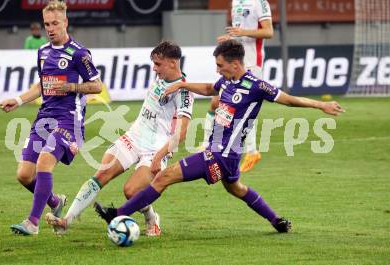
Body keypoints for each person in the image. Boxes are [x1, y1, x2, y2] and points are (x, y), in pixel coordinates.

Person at [94, 40, 345, 234]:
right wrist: (183, 84)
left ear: (235, 64)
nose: (218, 70)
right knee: (237, 189)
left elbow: (289, 100)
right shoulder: (226, 82)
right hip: (227, 156)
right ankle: (276, 220)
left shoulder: (256, 86)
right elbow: (207, 88)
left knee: (163, 176)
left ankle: (117, 214)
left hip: (220, 154)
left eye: (220, 65)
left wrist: (320, 106)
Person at [45, 41, 193, 237]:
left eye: (158, 64)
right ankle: (66, 221)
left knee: (131, 192)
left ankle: (151, 218)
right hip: (133, 138)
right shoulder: (161, 78)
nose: (154, 69)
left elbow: (182, 133)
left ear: (173, 63)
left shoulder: (183, 92)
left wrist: (160, 156)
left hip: (155, 149)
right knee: (100, 176)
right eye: (154, 64)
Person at [0, 0, 103, 235]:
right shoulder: (43, 51)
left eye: (55, 23)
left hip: (69, 120)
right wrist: (17, 101)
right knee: (24, 175)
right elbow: (42, 85)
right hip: (43, 118)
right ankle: (56, 203)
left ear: (65, 22)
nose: (50, 28)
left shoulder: (79, 54)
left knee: (44, 162)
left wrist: (70, 87)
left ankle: (32, 223)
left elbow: (97, 86)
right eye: (47, 24)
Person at [201, 0, 274, 173]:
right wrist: (231, 39)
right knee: (215, 102)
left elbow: (268, 32)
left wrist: (243, 32)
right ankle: (208, 146)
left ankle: (251, 151)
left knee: (245, 106)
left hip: (251, 64)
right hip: (235, 63)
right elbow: (239, 34)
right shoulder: (235, 2)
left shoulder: (260, 3)